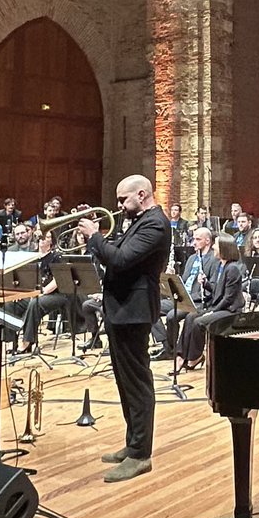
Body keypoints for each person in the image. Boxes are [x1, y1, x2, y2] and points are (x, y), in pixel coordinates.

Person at [76, 174, 169, 483]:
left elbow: (120, 259)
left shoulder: (156, 224)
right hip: (121, 309)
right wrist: (97, 237)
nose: (118, 206)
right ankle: (133, 444)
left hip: (134, 311)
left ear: (141, 194)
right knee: (125, 382)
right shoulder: (138, 221)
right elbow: (114, 253)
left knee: (137, 384)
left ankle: (141, 455)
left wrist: (95, 237)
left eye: (122, 199)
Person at [177, 234, 245, 368]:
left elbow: (228, 298)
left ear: (224, 248)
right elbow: (217, 290)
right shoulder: (221, 266)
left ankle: (195, 356)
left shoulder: (232, 269)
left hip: (230, 310)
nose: (213, 246)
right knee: (190, 317)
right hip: (220, 306)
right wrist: (206, 283)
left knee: (199, 322)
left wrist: (212, 311)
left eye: (216, 245)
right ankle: (181, 354)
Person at [165, 227, 217, 354]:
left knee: (171, 316)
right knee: (152, 306)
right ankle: (167, 346)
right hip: (182, 297)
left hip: (197, 300)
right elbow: (184, 281)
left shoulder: (214, 259)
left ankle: (174, 350)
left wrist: (188, 296)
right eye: (194, 239)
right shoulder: (192, 258)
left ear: (207, 241)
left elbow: (211, 289)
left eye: (198, 239)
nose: (194, 243)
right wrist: (173, 276)